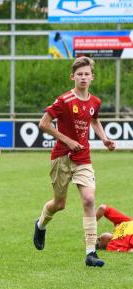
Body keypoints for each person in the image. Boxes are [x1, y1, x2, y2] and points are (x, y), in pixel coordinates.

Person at [33, 56, 116, 267]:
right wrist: (67, 140)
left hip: (83, 158)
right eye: (79, 74)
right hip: (61, 158)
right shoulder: (64, 101)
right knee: (59, 204)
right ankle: (41, 224)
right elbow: (44, 123)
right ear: (73, 77)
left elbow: (94, 120)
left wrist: (104, 138)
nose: (83, 77)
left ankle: (90, 253)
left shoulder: (95, 102)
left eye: (87, 74)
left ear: (92, 77)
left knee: (89, 199)